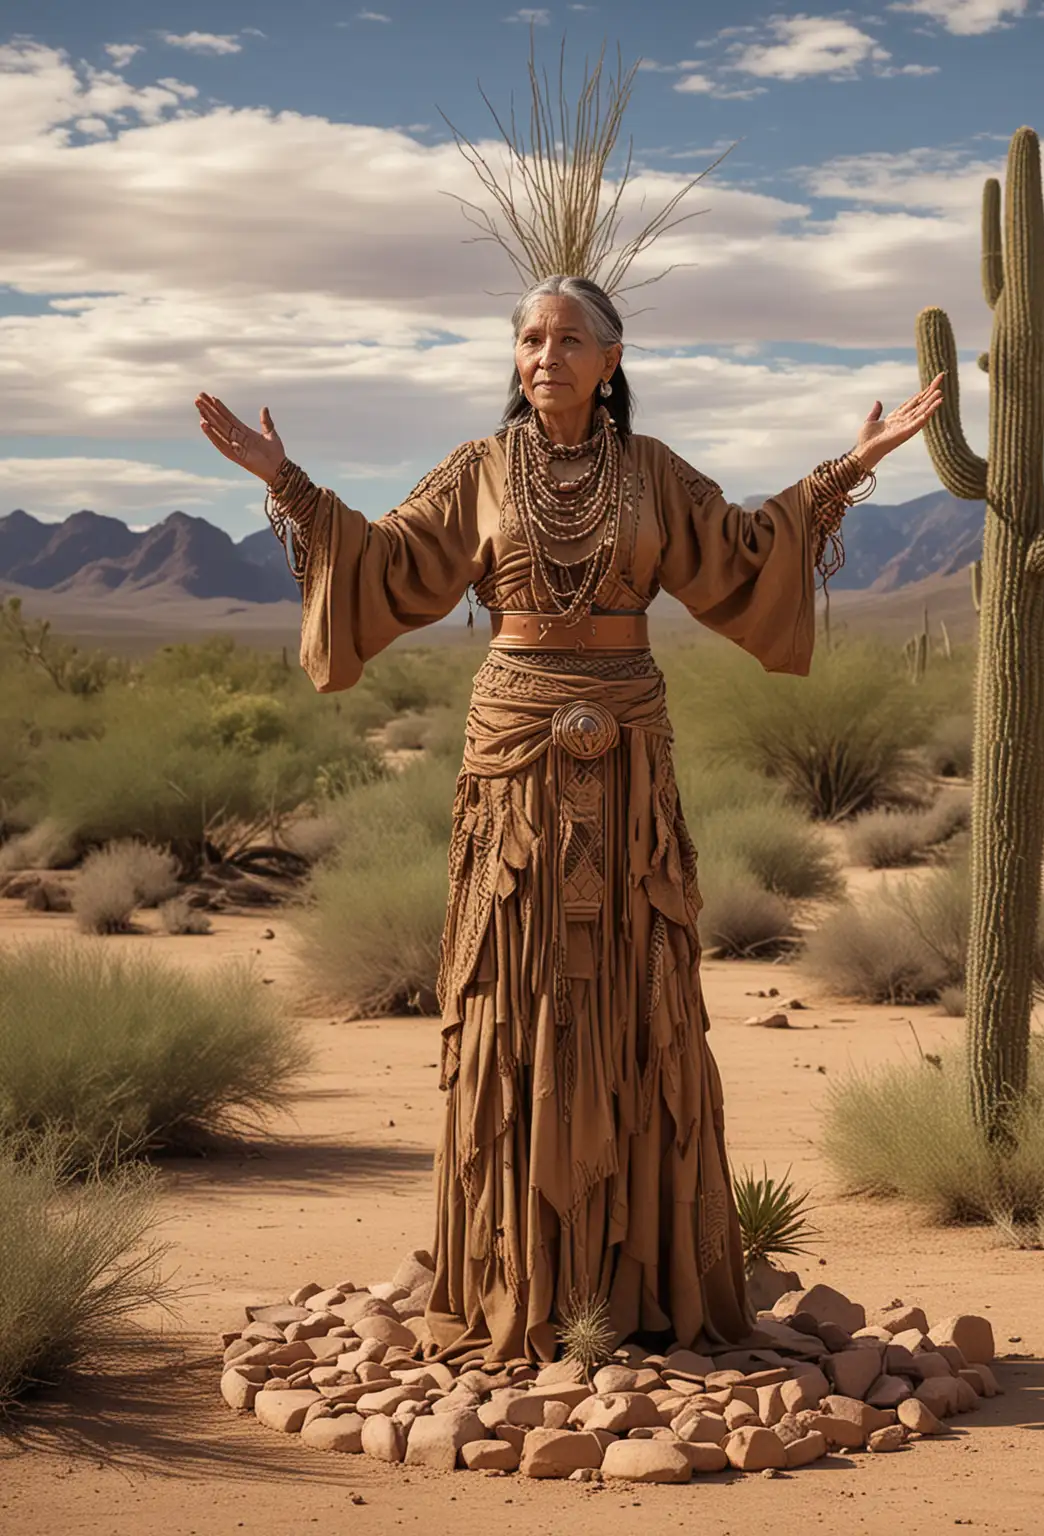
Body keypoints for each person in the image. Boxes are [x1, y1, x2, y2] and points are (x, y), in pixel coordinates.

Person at [194, 274, 943, 1367]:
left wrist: (849, 468)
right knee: (517, 982)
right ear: (516, 361)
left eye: (571, 339)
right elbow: (393, 562)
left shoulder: (650, 474)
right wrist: (288, 483)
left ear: (611, 361)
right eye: (531, 339)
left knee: (634, 982)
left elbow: (741, 550)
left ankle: (632, 1283)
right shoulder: (480, 470)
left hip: (629, 751)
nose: (547, 354)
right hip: (514, 755)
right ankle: (516, 1278)